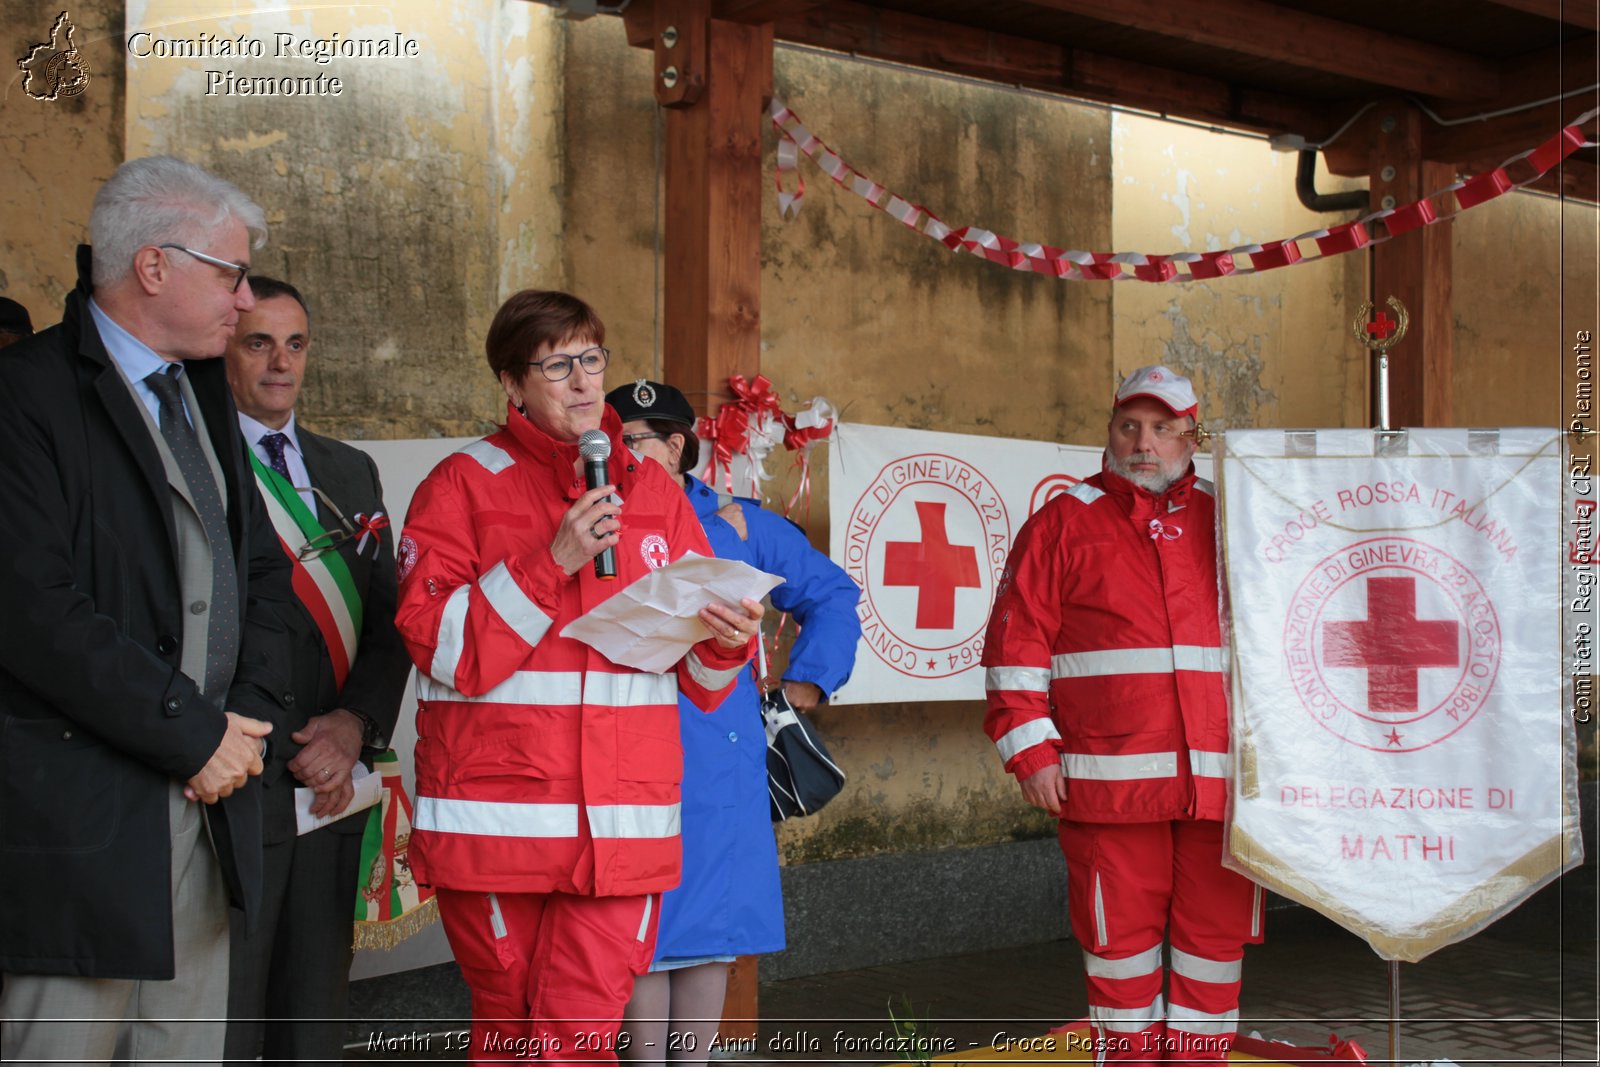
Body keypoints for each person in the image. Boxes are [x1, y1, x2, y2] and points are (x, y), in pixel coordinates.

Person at [393, 290, 763, 1065]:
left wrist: (727, 641)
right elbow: (444, 648)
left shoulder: (655, 492)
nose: (584, 381)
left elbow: (695, 674)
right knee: (512, 1032)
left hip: (623, 832)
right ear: (511, 383)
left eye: (592, 359)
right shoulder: (459, 485)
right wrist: (550, 562)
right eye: (557, 364)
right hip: (501, 830)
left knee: (580, 1039)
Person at [0, 155, 295, 1064]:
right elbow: (32, 611)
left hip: (212, 802)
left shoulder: (202, 386)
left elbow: (257, 570)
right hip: (85, 819)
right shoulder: (26, 396)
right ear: (153, 267)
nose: (246, 301)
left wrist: (241, 716)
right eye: (230, 274)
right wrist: (192, 732)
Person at [982, 365, 1263, 1063]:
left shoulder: (1235, 516)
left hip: (1220, 788)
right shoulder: (1063, 522)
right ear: (1109, 431)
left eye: (1163, 428)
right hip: (1107, 788)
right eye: (1129, 426)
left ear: (1192, 436)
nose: (1145, 443)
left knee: (1214, 947)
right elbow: (1014, 650)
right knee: (1120, 950)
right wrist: (1032, 753)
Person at [607, 380, 861, 1064]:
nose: (618, 454)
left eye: (633, 441)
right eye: (611, 440)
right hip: (618, 746)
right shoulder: (594, 517)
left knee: (709, 929)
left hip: (717, 750)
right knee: (639, 926)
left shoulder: (739, 524)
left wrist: (808, 678)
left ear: (677, 445)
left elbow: (833, 592)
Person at [221, 277, 412, 1065]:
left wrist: (354, 724)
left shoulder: (351, 469)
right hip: (230, 781)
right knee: (226, 1013)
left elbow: (389, 619)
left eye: (294, 344)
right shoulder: (198, 462)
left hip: (331, 781)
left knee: (313, 1014)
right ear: (224, 349)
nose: (279, 363)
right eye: (258, 342)